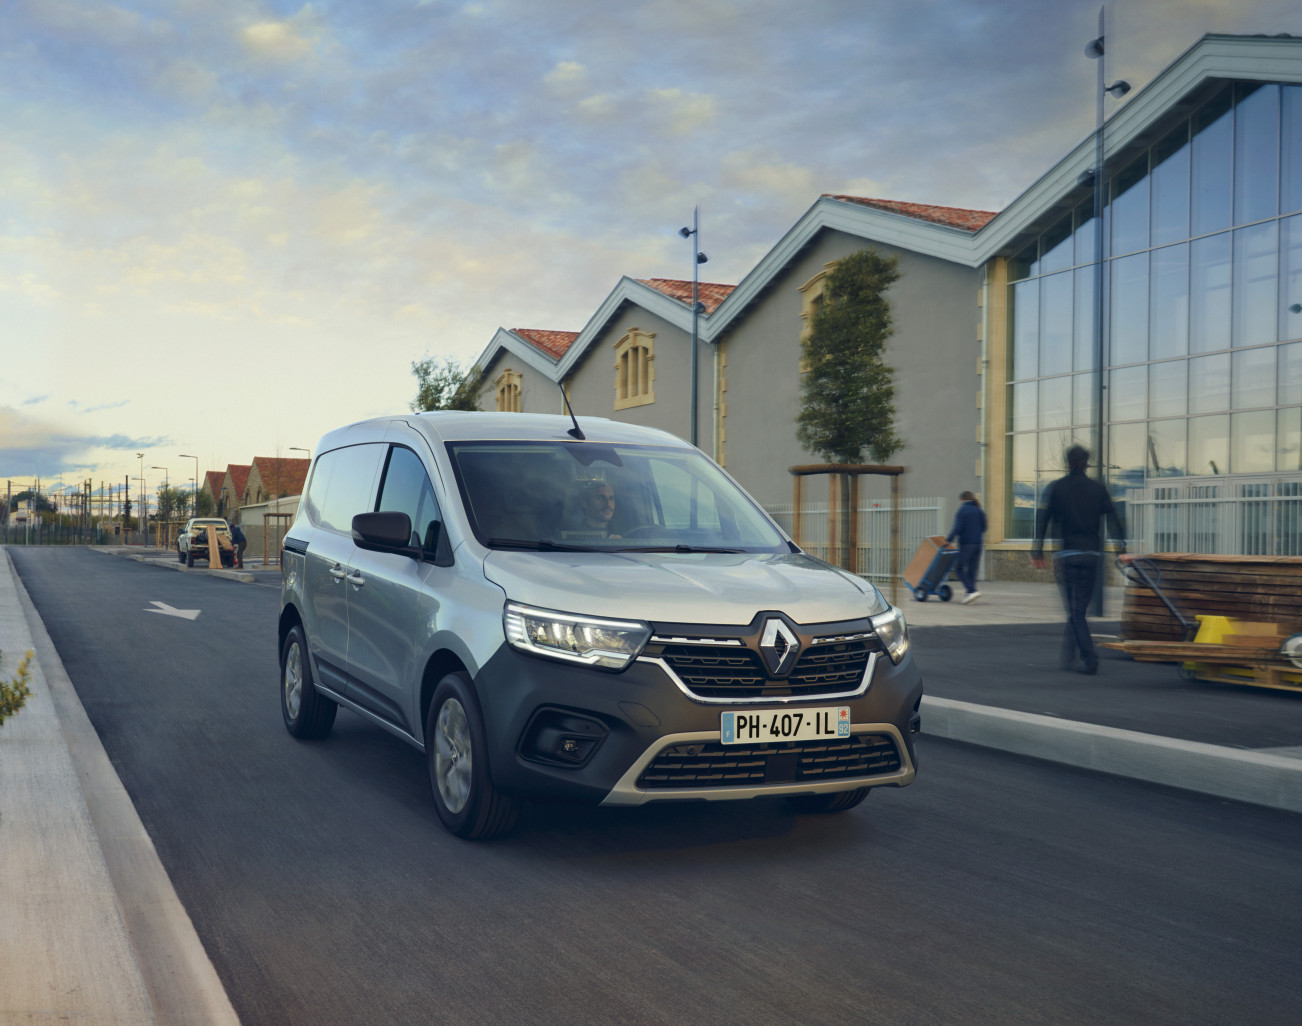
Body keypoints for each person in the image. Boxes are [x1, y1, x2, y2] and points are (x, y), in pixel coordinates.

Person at [1031, 444, 1125, 675]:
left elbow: (1043, 519)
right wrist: (1121, 547)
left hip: (1066, 556)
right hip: (1092, 556)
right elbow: (1114, 519)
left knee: (1075, 612)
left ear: (1067, 462)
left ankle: (1089, 658)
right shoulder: (1098, 489)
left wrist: (1037, 550)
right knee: (1078, 609)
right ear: (1087, 463)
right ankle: (1069, 655)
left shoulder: (1057, 488)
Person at [944, 490, 986, 604]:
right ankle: (969, 594)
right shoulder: (979, 510)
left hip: (966, 544)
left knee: (960, 569)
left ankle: (972, 590)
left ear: (963, 499)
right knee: (972, 570)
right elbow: (984, 527)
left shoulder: (963, 510)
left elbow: (957, 527)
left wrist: (948, 540)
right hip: (978, 544)